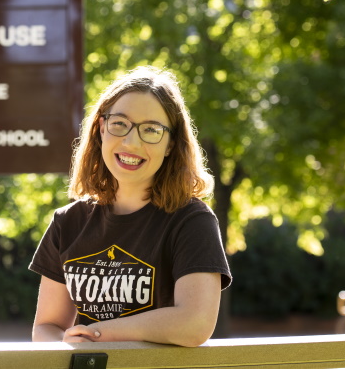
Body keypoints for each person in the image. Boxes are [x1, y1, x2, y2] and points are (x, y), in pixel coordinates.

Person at [29, 66, 231, 347]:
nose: (131, 142)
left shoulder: (192, 221)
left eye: (151, 130)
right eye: (119, 124)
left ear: (171, 144)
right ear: (101, 129)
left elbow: (195, 323)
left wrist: (96, 334)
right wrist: (67, 347)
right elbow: (47, 327)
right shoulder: (67, 222)